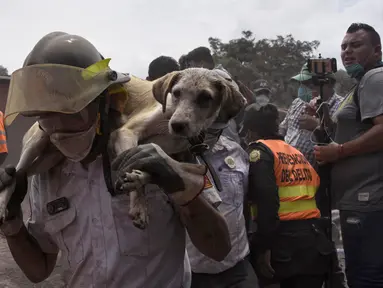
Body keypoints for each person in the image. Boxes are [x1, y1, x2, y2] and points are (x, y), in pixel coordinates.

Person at [0, 31, 231, 288]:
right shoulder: (44, 172)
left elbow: (218, 249)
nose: (56, 127)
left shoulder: (165, 148)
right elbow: (39, 270)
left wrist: (181, 187)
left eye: (71, 110)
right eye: (45, 115)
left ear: (103, 101)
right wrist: (12, 226)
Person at [314, 23, 383, 287]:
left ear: (376, 50)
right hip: (359, 198)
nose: (347, 52)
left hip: (369, 199)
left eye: (356, 45)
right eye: (344, 46)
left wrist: (339, 152)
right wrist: (326, 127)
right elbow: (357, 129)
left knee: (366, 277)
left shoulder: (374, 78)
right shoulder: (361, 84)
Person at [245, 103, 333, 288]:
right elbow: (317, 186)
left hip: (282, 245)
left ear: (250, 131)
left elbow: (267, 202)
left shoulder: (260, 153)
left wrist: (263, 247)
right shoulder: (295, 153)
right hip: (313, 242)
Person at [186, 134, 259, 288]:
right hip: (193, 272)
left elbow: (244, 202)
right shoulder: (170, 157)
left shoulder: (234, 151)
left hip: (238, 267)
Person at [279, 64, 343, 169]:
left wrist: (318, 126)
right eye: (302, 83)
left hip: (315, 177)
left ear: (330, 84)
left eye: (310, 84)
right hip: (285, 171)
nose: (304, 88)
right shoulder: (297, 102)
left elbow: (343, 144)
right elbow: (283, 127)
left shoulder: (341, 107)